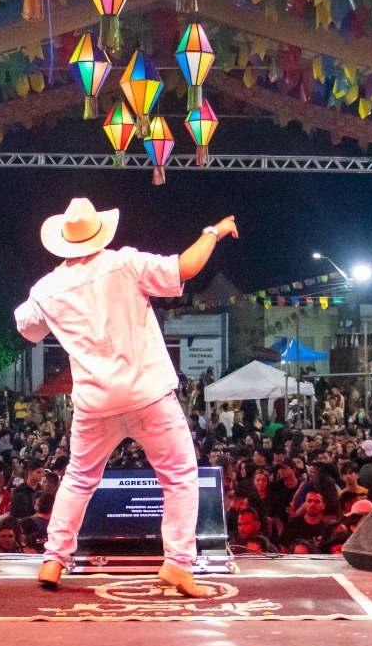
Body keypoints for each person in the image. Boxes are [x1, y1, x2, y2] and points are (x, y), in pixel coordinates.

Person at [17, 197, 238, 597]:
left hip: (94, 403)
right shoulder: (124, 263)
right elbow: (184, 267)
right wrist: (214, 231)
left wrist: (55, 288)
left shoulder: (46, 288)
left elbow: (27, 329)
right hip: (147, 394)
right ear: (100, 235)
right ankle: (178, 566)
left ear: (64, 243)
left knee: (79, 478)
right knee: (180, 478)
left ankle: (53, 559)